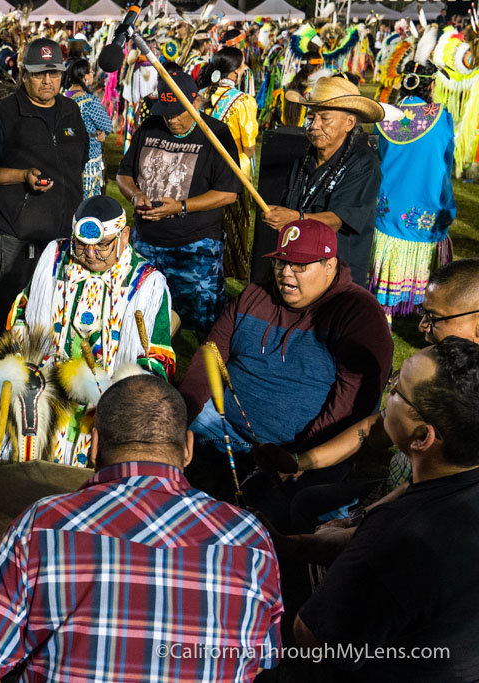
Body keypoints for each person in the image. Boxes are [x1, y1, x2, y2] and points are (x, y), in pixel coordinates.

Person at [0, 374, 282, 682]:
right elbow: (264, 658)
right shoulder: (250, 539)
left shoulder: (42, 527)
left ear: (94, 445)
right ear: (188, 448)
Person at [180, 219, 393, 525]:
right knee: (158, 451)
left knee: (278, 522)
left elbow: (352, 408)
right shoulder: (255, 296)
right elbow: (209, 357)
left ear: (330, 265)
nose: (285, 274)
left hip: (305, 450)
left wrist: (299, 458)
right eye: (281, 263)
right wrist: (182, 416)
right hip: (223, 426)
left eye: (299, 266)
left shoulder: (358, 314)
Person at [294, 338, 479, 680]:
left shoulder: (398, 539)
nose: (388, 392)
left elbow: (312, 638)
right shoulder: (458, 481)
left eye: (396, 390)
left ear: (422, 437)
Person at [254, 258, 479, 529]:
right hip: (397, 495)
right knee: (307, 502)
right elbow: (378, 428)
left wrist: (359, 523)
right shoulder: (443, 367)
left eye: (434, 318)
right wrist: (300, 461)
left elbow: (427, 490)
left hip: (424, 521)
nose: (421, 326)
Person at [9, 195, 175, 466]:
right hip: (46, 390)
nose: (89, 254)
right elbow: (23, 312)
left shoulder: (148, 285)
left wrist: (120, 399)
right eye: (82, 245)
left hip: (106, 401)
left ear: (124, 236)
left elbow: (157, 359)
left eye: (102, 246)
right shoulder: (55, 258)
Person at [0, 38, 88, 327]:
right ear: (25, 75)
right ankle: (7, 369)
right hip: (21, 236)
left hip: (66, 232)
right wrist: (21, 176)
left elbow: (79, 160)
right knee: (15, 315)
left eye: (55, 73)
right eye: (39, 74)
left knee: (60, 310)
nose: (48, 81)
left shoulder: (71, 110)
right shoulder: (4, 113)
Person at [116, 70, 241, 334]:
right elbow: (123, 174)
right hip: (146, 243)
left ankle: (205, 373)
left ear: (196, 102)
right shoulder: (150, 126)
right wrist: (136, 195)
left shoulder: (216, 133)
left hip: (196, 247)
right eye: (166, 112)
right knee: (140, 313)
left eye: (178, 112)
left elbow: (228, 193)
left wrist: (181, 206)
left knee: (205, 322)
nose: (171, 119)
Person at [262, 77, 383, 287]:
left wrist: (296, 218)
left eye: (324, 118)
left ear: (349, 122)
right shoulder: (303, 160)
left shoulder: (363, 164)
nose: (314, 125)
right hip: (299, 266)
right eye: (311, 117)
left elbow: (340, 219)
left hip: (338, 269)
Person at [370, 62, 456, 317]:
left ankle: (383, 316)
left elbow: (378, 156)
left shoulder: (385, 115)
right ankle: (418, 303)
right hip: (425, 206)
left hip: (388, 207)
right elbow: (445, 162)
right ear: (431, 85)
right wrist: (446, 203)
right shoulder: (441, 117)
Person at [199, 47, 259, 281]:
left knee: (208, 214)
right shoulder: (243, 101)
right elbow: (249, 146)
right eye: (243, 65)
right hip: (235, 168)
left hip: (206, 164)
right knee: (236, 218)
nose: (245, 69)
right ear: (234, 72)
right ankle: (235, 266)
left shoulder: (202, 94)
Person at [62, 58, 113, 200]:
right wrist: (100, 132)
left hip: (66, 154)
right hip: (89, 155)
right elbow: (107, 125)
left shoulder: (63, 98)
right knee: (88, 199)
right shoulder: (89, 102)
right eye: (91, 72)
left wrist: (74, 133)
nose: (92, 75)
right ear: (85, 77)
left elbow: (66, 131)